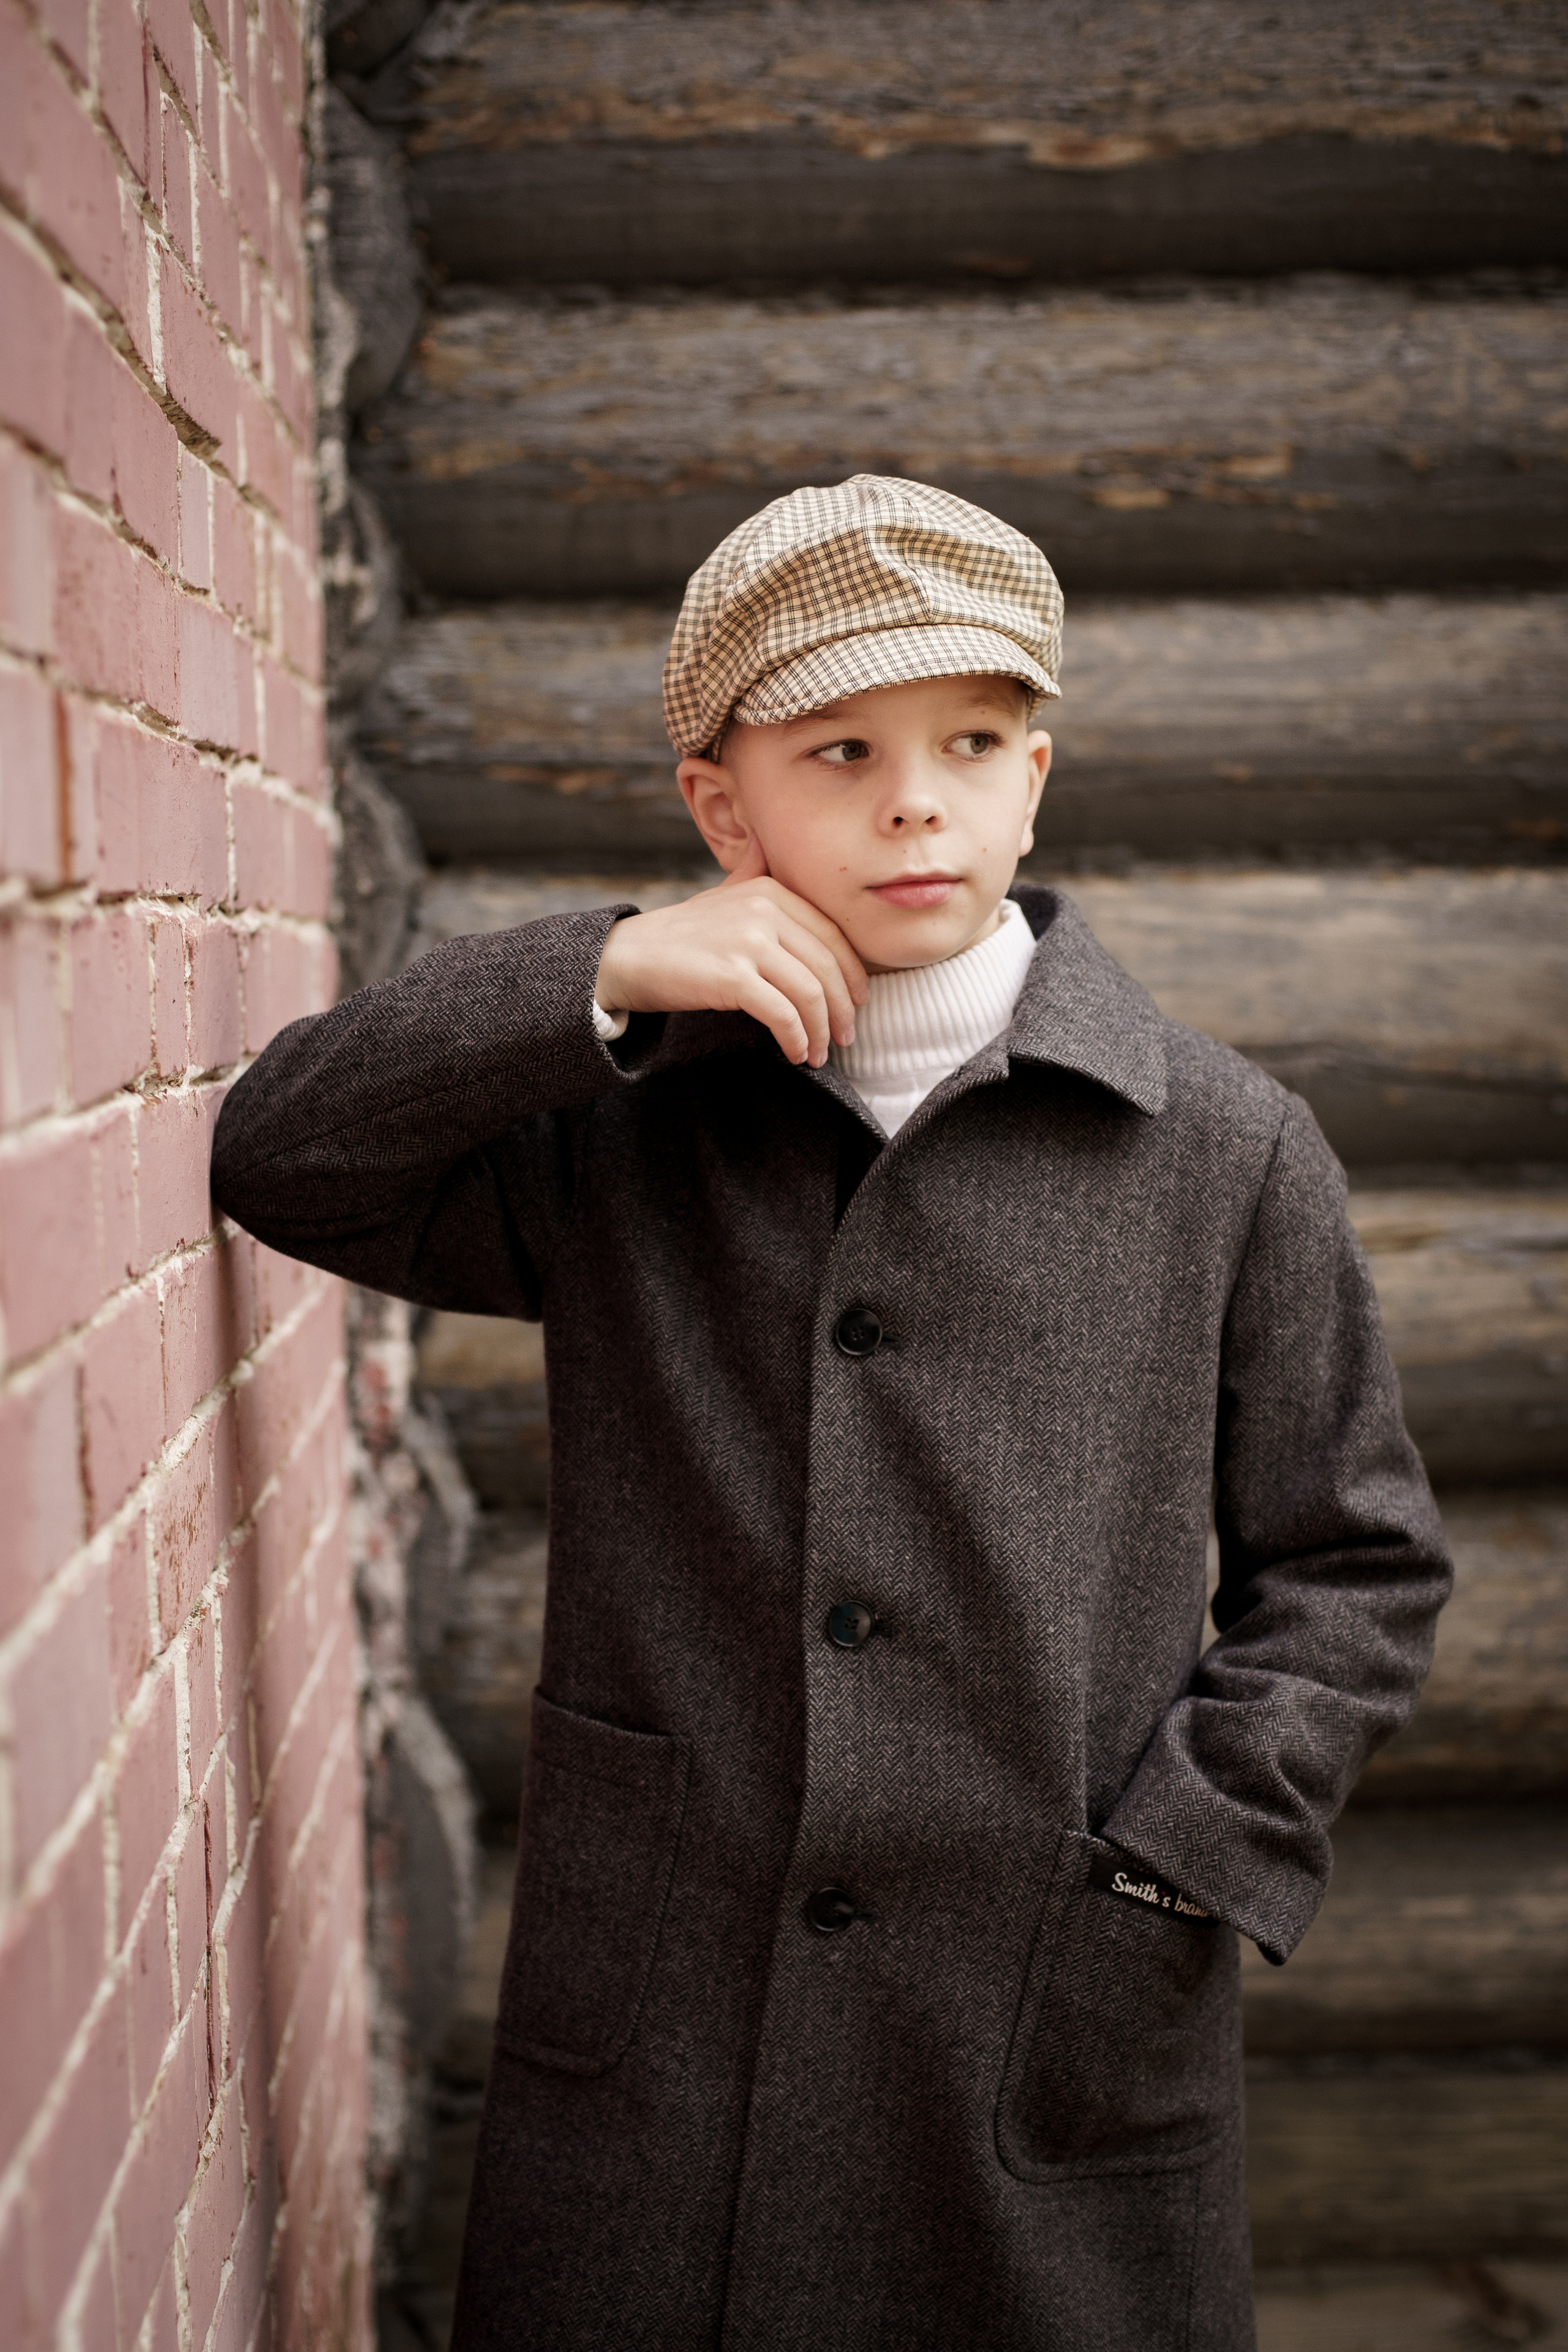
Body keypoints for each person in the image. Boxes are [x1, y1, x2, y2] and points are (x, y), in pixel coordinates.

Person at [211, 475, 1450, 2351]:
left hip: (1043, 2013)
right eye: (841, 749)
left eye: (973, 740)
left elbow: (1354, 1567)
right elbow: (285, 1155)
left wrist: (1176, 1869)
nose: (915, 800)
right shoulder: (626, 1129)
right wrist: (604, 964)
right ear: (724, 806)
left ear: (1037, 774)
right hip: (669, 2019)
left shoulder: (1222, 1148)